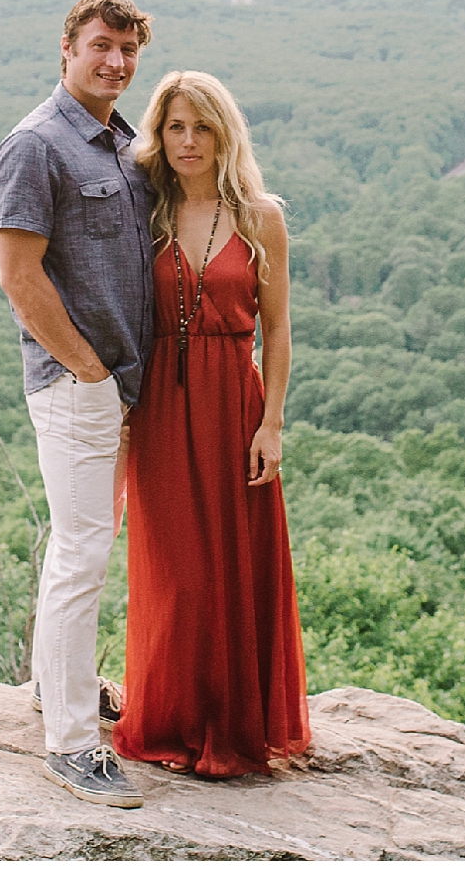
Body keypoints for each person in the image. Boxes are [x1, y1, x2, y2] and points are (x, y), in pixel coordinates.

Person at [114, 69, 310, 778]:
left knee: (230, 566)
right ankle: (172, 719)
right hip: (162, 405)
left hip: (236, 403)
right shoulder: (147, 211)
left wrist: (273, 424)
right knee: (176, 572)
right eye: (174, 126)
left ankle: (230, 727)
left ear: (224, 131)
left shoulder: (262, 216)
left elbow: (280, 329)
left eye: (201, 125)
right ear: (158, 135)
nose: (188, 140)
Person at [0, 0, 158, 809]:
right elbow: (21, 279)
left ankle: (56, 682)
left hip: (120, 385)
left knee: (84, 541)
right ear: (67, 47)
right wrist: (88, 370)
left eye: (128, 49)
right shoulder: (36, 145)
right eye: (101, 45)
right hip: (76, 384)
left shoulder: (124, 144)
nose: (116, 62)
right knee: (83, 552)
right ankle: (70, 741)